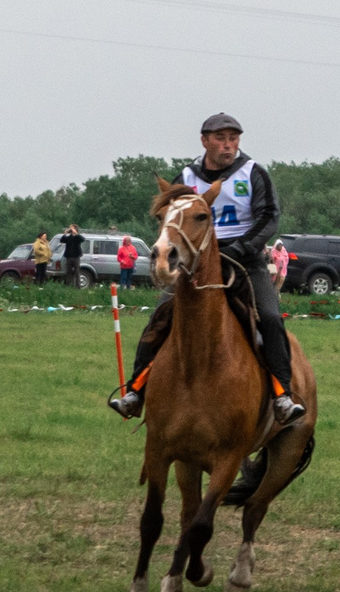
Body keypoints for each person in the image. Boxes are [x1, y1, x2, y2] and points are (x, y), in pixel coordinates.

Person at [107, 113, 307, 427]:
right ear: (205, 141)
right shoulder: (187, 176)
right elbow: (170, 218)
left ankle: (282, 395)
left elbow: (269, 217)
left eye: (233, 139)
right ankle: (136, 391)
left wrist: (240, 248)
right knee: (160, 317)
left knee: (269, 317)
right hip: (195, 261)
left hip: (244, 259)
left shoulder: (253, 173)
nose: (228, 145)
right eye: (220, 139)